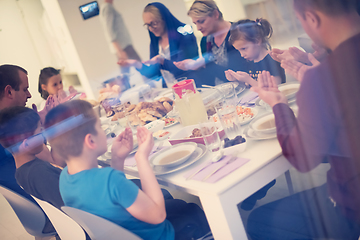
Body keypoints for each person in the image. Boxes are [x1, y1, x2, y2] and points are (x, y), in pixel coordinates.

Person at [248, 0, 360, 239]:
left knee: (260, 220)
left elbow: (303, 158)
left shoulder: (324, 78)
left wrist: (278, 103)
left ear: (312, 18)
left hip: (352, 207)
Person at [45, 100, 210, 240]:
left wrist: (117, 158)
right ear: (91, 141)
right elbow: (158, 215)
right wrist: (141, 158)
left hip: (128, 232)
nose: (104, 131)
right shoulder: (109, 179)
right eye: (100, 127)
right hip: (161, 235)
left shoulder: (65, 179)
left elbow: (110, 198)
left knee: (179, 204)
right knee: (194, 210)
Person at [0, 64, 55, 200]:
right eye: (25, 89)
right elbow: (52, 160)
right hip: (47, 200)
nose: (29, 95)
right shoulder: (11, 130)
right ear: (9, 92)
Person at [118, 2, 199, 88]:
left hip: (192, 87)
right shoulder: (155, 42)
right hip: (171, 90)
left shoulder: (184, 34)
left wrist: (162, 61)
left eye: (154, 23)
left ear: (164, 19)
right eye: (148, 25)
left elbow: (182, 68)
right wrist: (136, 64)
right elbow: (154, 74)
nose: (151, 28)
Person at [174, 0, 248, 87]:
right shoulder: (205, 40)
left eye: (201, 21)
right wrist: (197, 67)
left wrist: (205, 63)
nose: (198, 28)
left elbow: (241, 73)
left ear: (215, 14)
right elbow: (208, 80)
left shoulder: (238, 33)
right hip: (221, 93)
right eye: (195, 23)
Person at [225, 19, 286, 87]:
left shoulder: (272, 60)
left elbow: (275, 88)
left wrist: (249, 80)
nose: (242, 55)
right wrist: (237, 80)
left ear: (257, 41)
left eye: (244, 49)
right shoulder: (250, 61)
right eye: (239, 50)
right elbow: (250, 86)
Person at [100, 0, 141, 90]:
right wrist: (119, 50)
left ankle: (126, 90)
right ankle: (152, 86)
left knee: (125, 73)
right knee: (141, 66)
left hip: (123, 46)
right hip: (123, 46)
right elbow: (109, 31)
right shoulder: (107, 8)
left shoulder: (108, 7)